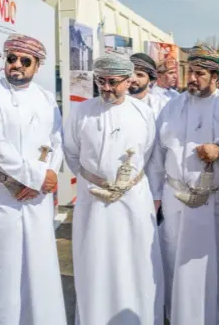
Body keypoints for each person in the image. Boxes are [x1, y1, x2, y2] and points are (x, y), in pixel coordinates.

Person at [0, 34, 66, 325]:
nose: (17, 65)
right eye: (11, 58)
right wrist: (37, 177)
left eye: (26, 61)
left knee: (39, 267)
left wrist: (47, 176)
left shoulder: (45, 98)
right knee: (2, 271)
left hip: (36, 197)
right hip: (1, 195)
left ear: (37, 66)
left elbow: (57, 140)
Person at [63, 52, 164, 325]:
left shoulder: (144, 113)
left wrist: (135, 189)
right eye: (101, 81)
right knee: (95, 263)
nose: (106, 88)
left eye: (113, 82)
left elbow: (149, 156)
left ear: (128, 80)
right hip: (94, 202)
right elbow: (71, 153)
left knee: (135, 262)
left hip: (134, 200)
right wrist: (97, 181)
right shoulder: (81, 112)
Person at [148, 45, 219, 325]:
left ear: (216, 77)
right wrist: (155, 197)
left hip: (218, 203)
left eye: (200, 73)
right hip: (177, 200)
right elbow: (157, 156)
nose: (192, 78)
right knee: (175, 259)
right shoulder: (172, 107)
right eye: (190, 71)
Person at [129, 52, 168, 117]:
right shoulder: (116, 103)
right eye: (130, 74)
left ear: (150, 79)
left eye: (139, 75)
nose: (133, 79)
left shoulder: (160, 105)